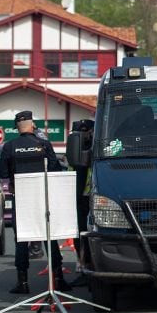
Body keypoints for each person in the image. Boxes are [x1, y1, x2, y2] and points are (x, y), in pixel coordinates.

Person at [0, 110, 69, 294]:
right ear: (33, 125)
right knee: (49, 238)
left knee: (21, 239)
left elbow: (3, 174)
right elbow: (55, 169)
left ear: (17, 128)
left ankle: (23, 283)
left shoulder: (9, 146)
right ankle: (58, 280)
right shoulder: (44, 145)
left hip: (22, 200)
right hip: (43, 198)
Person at [69, 119, 94, 287]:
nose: (79, 136)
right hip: (79, 198)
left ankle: (90, 267)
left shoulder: (98, 147)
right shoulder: (74, 149)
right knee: (80, 236)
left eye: (82, 132)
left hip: (93, 197)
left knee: (89, 236)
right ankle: (84, 267)